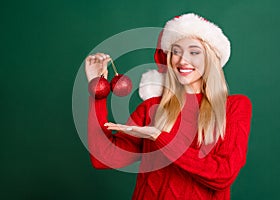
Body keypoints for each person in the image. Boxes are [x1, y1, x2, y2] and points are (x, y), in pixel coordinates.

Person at [85, 13, 252, 200]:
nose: (182, 61)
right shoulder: (153, 106)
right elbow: (103, 158)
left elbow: (223, 175)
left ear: (211, 58)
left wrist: (159, 137)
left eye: (194, 52)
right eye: (176, 52)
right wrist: (97, 88)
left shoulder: (234, 107)